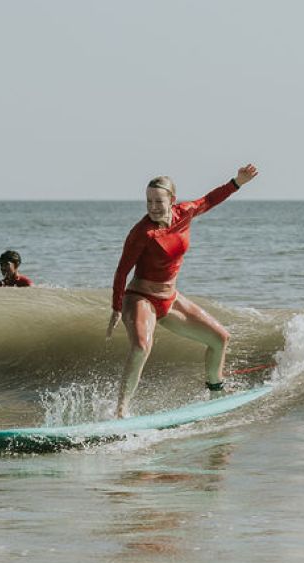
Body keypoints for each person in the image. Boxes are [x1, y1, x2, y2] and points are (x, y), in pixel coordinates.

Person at [106, 163, 259, 417]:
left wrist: (237, 183)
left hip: (170, 298)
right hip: (141, 298)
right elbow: (122, 271)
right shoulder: (141, 233)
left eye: (158, 201)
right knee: (142, 347)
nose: (153, 207)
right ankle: (121, 411)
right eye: (148, 201)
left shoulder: (185, 213)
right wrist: (115, 307)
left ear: (172, 200)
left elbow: (209, 199)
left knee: (220, 338)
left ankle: (215, 390)